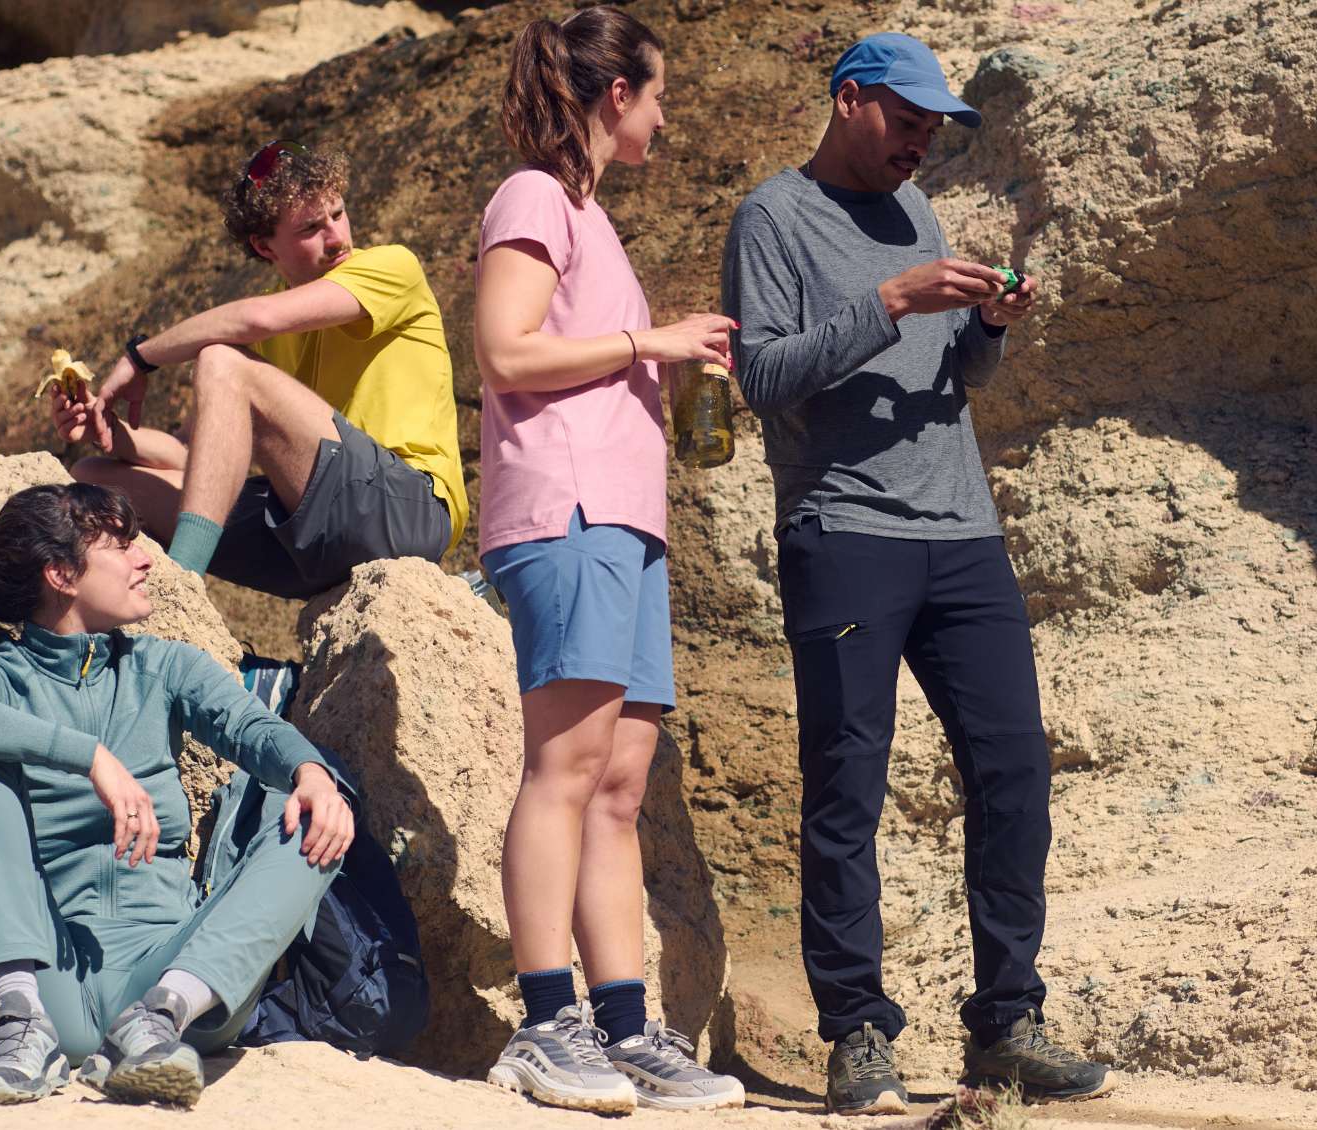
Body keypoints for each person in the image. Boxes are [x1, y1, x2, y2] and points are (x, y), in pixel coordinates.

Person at [720, 32, 1113, 1114]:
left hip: (963, 534)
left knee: (1014, 770)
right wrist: (890, 300)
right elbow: (763, 376)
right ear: (849, 100)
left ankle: (1006, 1023)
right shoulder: (773, 217)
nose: (920, 143)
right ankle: (856, 1031)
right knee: (847, 784)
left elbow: (954, 378)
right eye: (906, 121)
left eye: (932, 129)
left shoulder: (918, 213)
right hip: (843, 534)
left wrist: (984, 326)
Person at [468, 5, 744, 1113]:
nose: (664, 118)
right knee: (567, 768)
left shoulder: (592, 218)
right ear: (615, 94)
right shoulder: (534, 195)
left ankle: (626, 1030)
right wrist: (648, 341)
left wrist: (664, 369)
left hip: (625, 520)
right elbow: (504, 350)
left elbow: (575, 355)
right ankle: (545, 1022)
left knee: (620, 785)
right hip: (566, 510)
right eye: (658, 95)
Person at [0, 482, 357, 1109]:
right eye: (122, 546)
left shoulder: (164, 667)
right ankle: (20, 1024)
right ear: (61, 574)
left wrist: (310, 772)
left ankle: (159, 1019)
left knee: (314, 811)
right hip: (43, 978)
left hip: (170, 976)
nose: (146, 559)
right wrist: (88, 756)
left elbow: (254, 729)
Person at [60, 143, 465, 607]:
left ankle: (181, 592)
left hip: (408, 511)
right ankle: (126, 607)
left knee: (221, 358)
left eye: (338, 214)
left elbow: (257, 318)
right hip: (320, 539)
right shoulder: (269, 334)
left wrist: (140, 357)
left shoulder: (391, 267)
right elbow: (192, 456)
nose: (336, 237)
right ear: (264, 245)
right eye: (311, 228)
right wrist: (111, 433)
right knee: (97, 480)